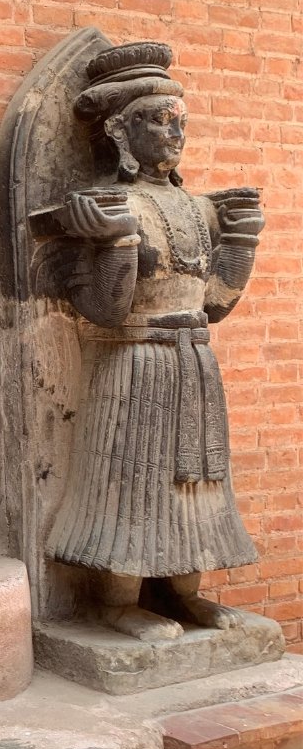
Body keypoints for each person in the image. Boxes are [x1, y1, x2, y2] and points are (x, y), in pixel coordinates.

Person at [43, 41, 263, 641]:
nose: (175, 133)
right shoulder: (111, 203)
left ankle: (186, 595)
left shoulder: (198, 208)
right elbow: (106, 311)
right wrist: (114, 242)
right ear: (121, 131)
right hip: (135, 361)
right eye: (160, 121)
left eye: (180, 122)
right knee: (133, 480)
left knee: (196, 480)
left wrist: (242, 243)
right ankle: (118, 602)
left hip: (194, 363)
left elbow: (214, 305)